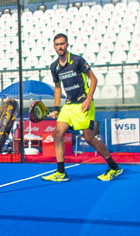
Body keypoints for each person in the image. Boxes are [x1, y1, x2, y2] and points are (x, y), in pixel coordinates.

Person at [42, 33, 122, 182]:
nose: (60, 46)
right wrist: (56, 109)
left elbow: (93, 79)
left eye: (62, 43)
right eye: (57, 44)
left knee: (89, 138)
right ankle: (61, 172)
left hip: (84, 103)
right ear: (54, 47)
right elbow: (57, 87)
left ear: (67, 45)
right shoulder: (54, 67)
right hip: (69, 105)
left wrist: (89, 99)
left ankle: (113, 167)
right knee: (57, 134)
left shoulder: (78, 60)